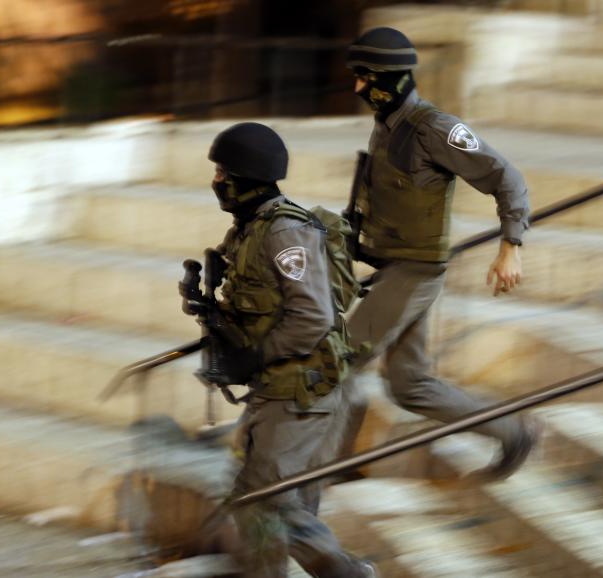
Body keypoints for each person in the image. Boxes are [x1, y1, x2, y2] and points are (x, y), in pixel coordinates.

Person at [342, 27, 539, 480]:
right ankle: (513, 433)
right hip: (396, 267)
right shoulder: (386, 126)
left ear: (391, 78)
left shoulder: (434, 128)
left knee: (341, 360)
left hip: (413, 273)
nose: (358, 87)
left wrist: (510, 246)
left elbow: (506, 176)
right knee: (409, 386)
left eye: (365, 77)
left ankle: (332, 463)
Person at [192, 122, 375, 578]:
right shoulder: (250, 230)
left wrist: (254, 355)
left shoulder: (283, 234)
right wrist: (207, 310)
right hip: (278, 386)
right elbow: (260, 306)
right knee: (274, 502)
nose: (216, 180)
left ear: (245, 177)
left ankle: (347, 573)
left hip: (299, 389)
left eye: (222, 172)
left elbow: (313, 317)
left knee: (261, 497)